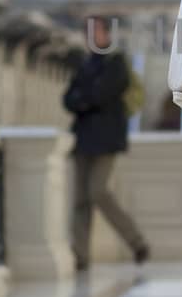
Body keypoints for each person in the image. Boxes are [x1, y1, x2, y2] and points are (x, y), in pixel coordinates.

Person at [63, 15, 150, 271]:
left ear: (106, 35)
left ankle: (136, 241)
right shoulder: (85, 64)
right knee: (80, 199)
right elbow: (68, 99)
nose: (91, 37)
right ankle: (80, 255)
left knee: (98, 191)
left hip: (106, 140)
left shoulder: (116, 63)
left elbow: (100, 94)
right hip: (83, 139)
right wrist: (85, 99)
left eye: (96, 32)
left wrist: (84, 99)